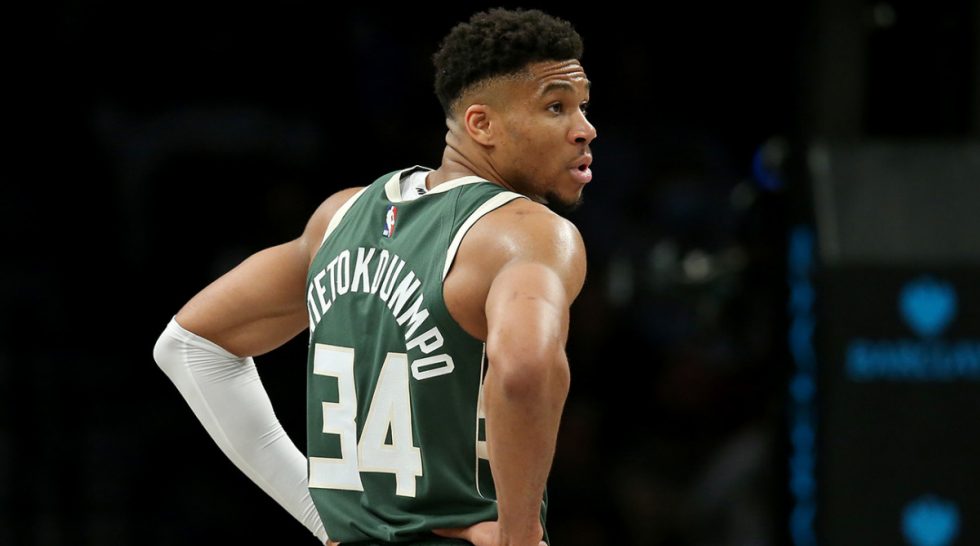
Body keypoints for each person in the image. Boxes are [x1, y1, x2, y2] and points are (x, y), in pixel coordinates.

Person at [153, 7, 595, 545]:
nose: (585, 129)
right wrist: (520, 535)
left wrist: (321, 516)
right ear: (481, 124)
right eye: (556, 107)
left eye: (583, 106)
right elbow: (526, 369)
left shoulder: (340, 217)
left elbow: (188, 346)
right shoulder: (528, 234)